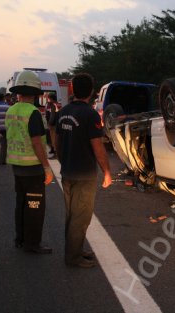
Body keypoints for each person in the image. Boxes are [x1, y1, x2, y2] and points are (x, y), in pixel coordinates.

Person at [56, 73, 112, 268]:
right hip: (84, 174)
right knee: (81, 217)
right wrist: (107, 171)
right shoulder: (90, 114)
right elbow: (97, 146)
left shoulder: (63, 112)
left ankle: (76, 249)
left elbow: (57, 139)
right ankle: (73, 257)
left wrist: (64, 159)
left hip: (68, 172)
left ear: (72, 90)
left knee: (72, 215)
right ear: (91, 91)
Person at [6, 70, 54, 254]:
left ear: (19, 92)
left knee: (21, 203)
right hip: (33, 169)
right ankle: (32, 243)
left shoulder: (11, 110)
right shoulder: (33, 113)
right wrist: (47, 167)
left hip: (17, 167)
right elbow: (36, 142)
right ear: (35, 94)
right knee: (35, 206)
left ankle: (20, 239)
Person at [45, 92, 59, 158]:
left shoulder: (53, 105)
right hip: (54, 124)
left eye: (49, 98)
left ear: (51, 98)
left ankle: (56, 154)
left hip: (53, 125)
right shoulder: (53, 104)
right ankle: (53, 150)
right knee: (52, 138)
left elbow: (52, 115)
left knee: (54, 139)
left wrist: (50, 123)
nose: (48, 99)